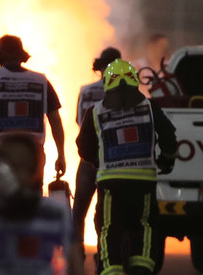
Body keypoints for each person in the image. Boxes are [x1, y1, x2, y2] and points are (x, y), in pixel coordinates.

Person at [76, 59, 178, 275]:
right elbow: (169, 135)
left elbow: (83, 148)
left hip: (111, 184)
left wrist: (99, 161)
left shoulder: (95, 112)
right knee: (145, 226)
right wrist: (167, 159)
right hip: (144, 183)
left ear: (107, 83)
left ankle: (111, 270)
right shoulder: (149, 107)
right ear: (134, 81)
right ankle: (141, 268)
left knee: (108, 229)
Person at [0, 134, 84, 275]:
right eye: (10, 166)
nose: (15, 174)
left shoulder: (57, 212)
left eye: (22, 166)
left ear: (34, 170)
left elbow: (75, 265)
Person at [0, 35, 66, 187]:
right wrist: (61, 154)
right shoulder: (41, 81)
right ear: (21, 54)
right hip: (33, 154)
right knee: (31, 202)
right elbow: (55, 119)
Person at [73, 47, 121, 256]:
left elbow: (79, 121)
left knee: (79, 209)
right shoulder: (126, 93)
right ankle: (105, 251)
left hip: (89, 158)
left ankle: (76, 252)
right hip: (116, 158)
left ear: (99, 67)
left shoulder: (87, 91)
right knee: (108, 210)